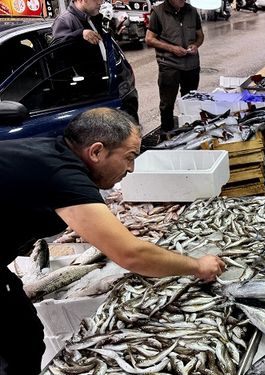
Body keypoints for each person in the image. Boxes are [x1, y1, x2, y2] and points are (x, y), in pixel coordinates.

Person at [0, 108, 226, 374]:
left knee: (22, 336)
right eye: (129, 157)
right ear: (96, 152)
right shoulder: (62, 175)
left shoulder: (51, 153)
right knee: (19, 344)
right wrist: (198, 266)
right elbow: (131, 255)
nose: (131, 169)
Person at [145, 0, 204, 133]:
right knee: (167, 104)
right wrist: (172, 48)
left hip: (191, 65)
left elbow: (200, 36)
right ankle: (167, 133)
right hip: (169, 65)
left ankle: (190, 132)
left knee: (190, 101)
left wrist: (196, 45)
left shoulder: (192, 11)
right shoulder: (158, 12)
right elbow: (149, 39)